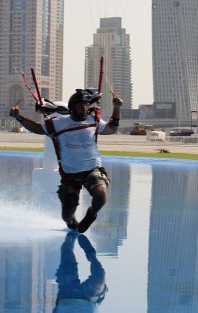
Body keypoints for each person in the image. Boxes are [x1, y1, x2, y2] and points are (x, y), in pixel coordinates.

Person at [10, 88, 123, 232]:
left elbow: (112, 129)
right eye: (79, 105)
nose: (84, 108)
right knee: (66, 215)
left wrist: (117, 108)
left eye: (86, 105)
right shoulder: (58, 123)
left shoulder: (93, 120)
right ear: (72, 108)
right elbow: (38, 128)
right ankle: (72, 224)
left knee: (101, 196)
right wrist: (19, 118)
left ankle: (91, 215)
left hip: (92, 170)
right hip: (70, 176)